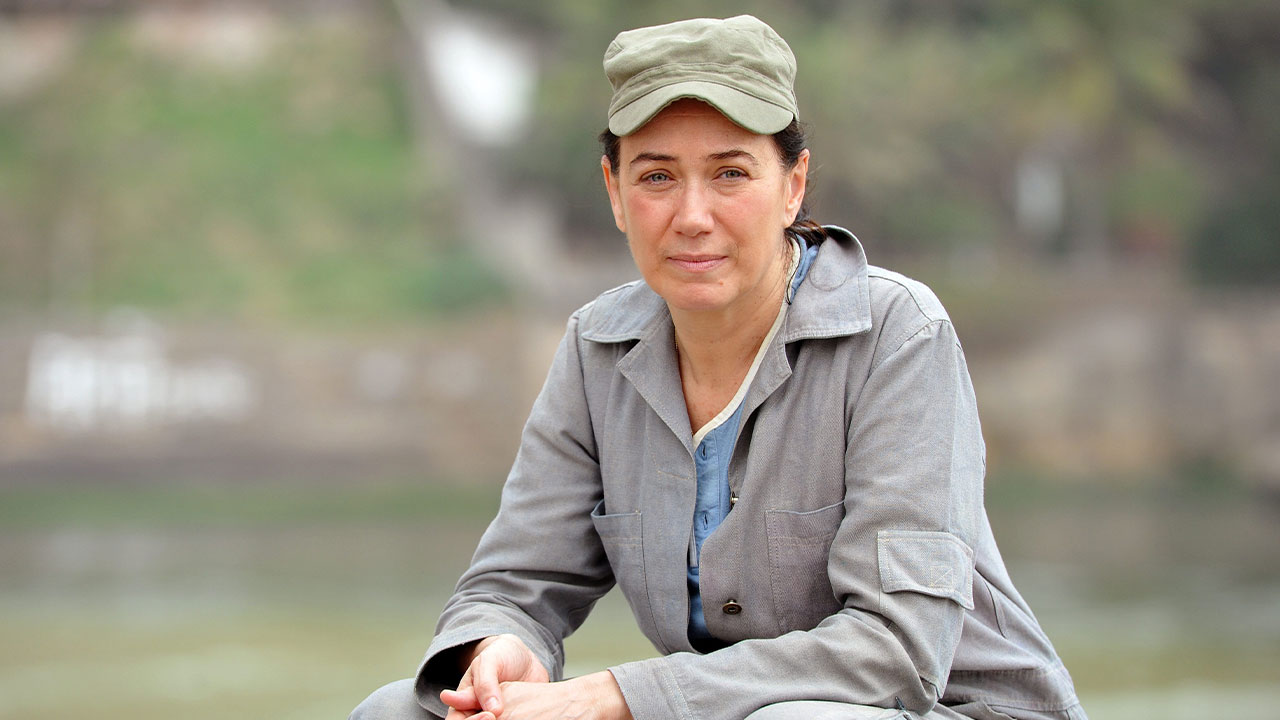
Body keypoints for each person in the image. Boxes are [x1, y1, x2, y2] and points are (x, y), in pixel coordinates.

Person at [352, 14, 1085, 720]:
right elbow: (514, 583)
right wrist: (500, 646)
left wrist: (618, 697)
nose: (693, 215)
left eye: (730, 173)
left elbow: (896, 650)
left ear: (793, 185)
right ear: (614, 191)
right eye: (658, 178)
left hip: (945, 712)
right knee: (395, 711)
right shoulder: (595, 351)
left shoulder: (898, 335)